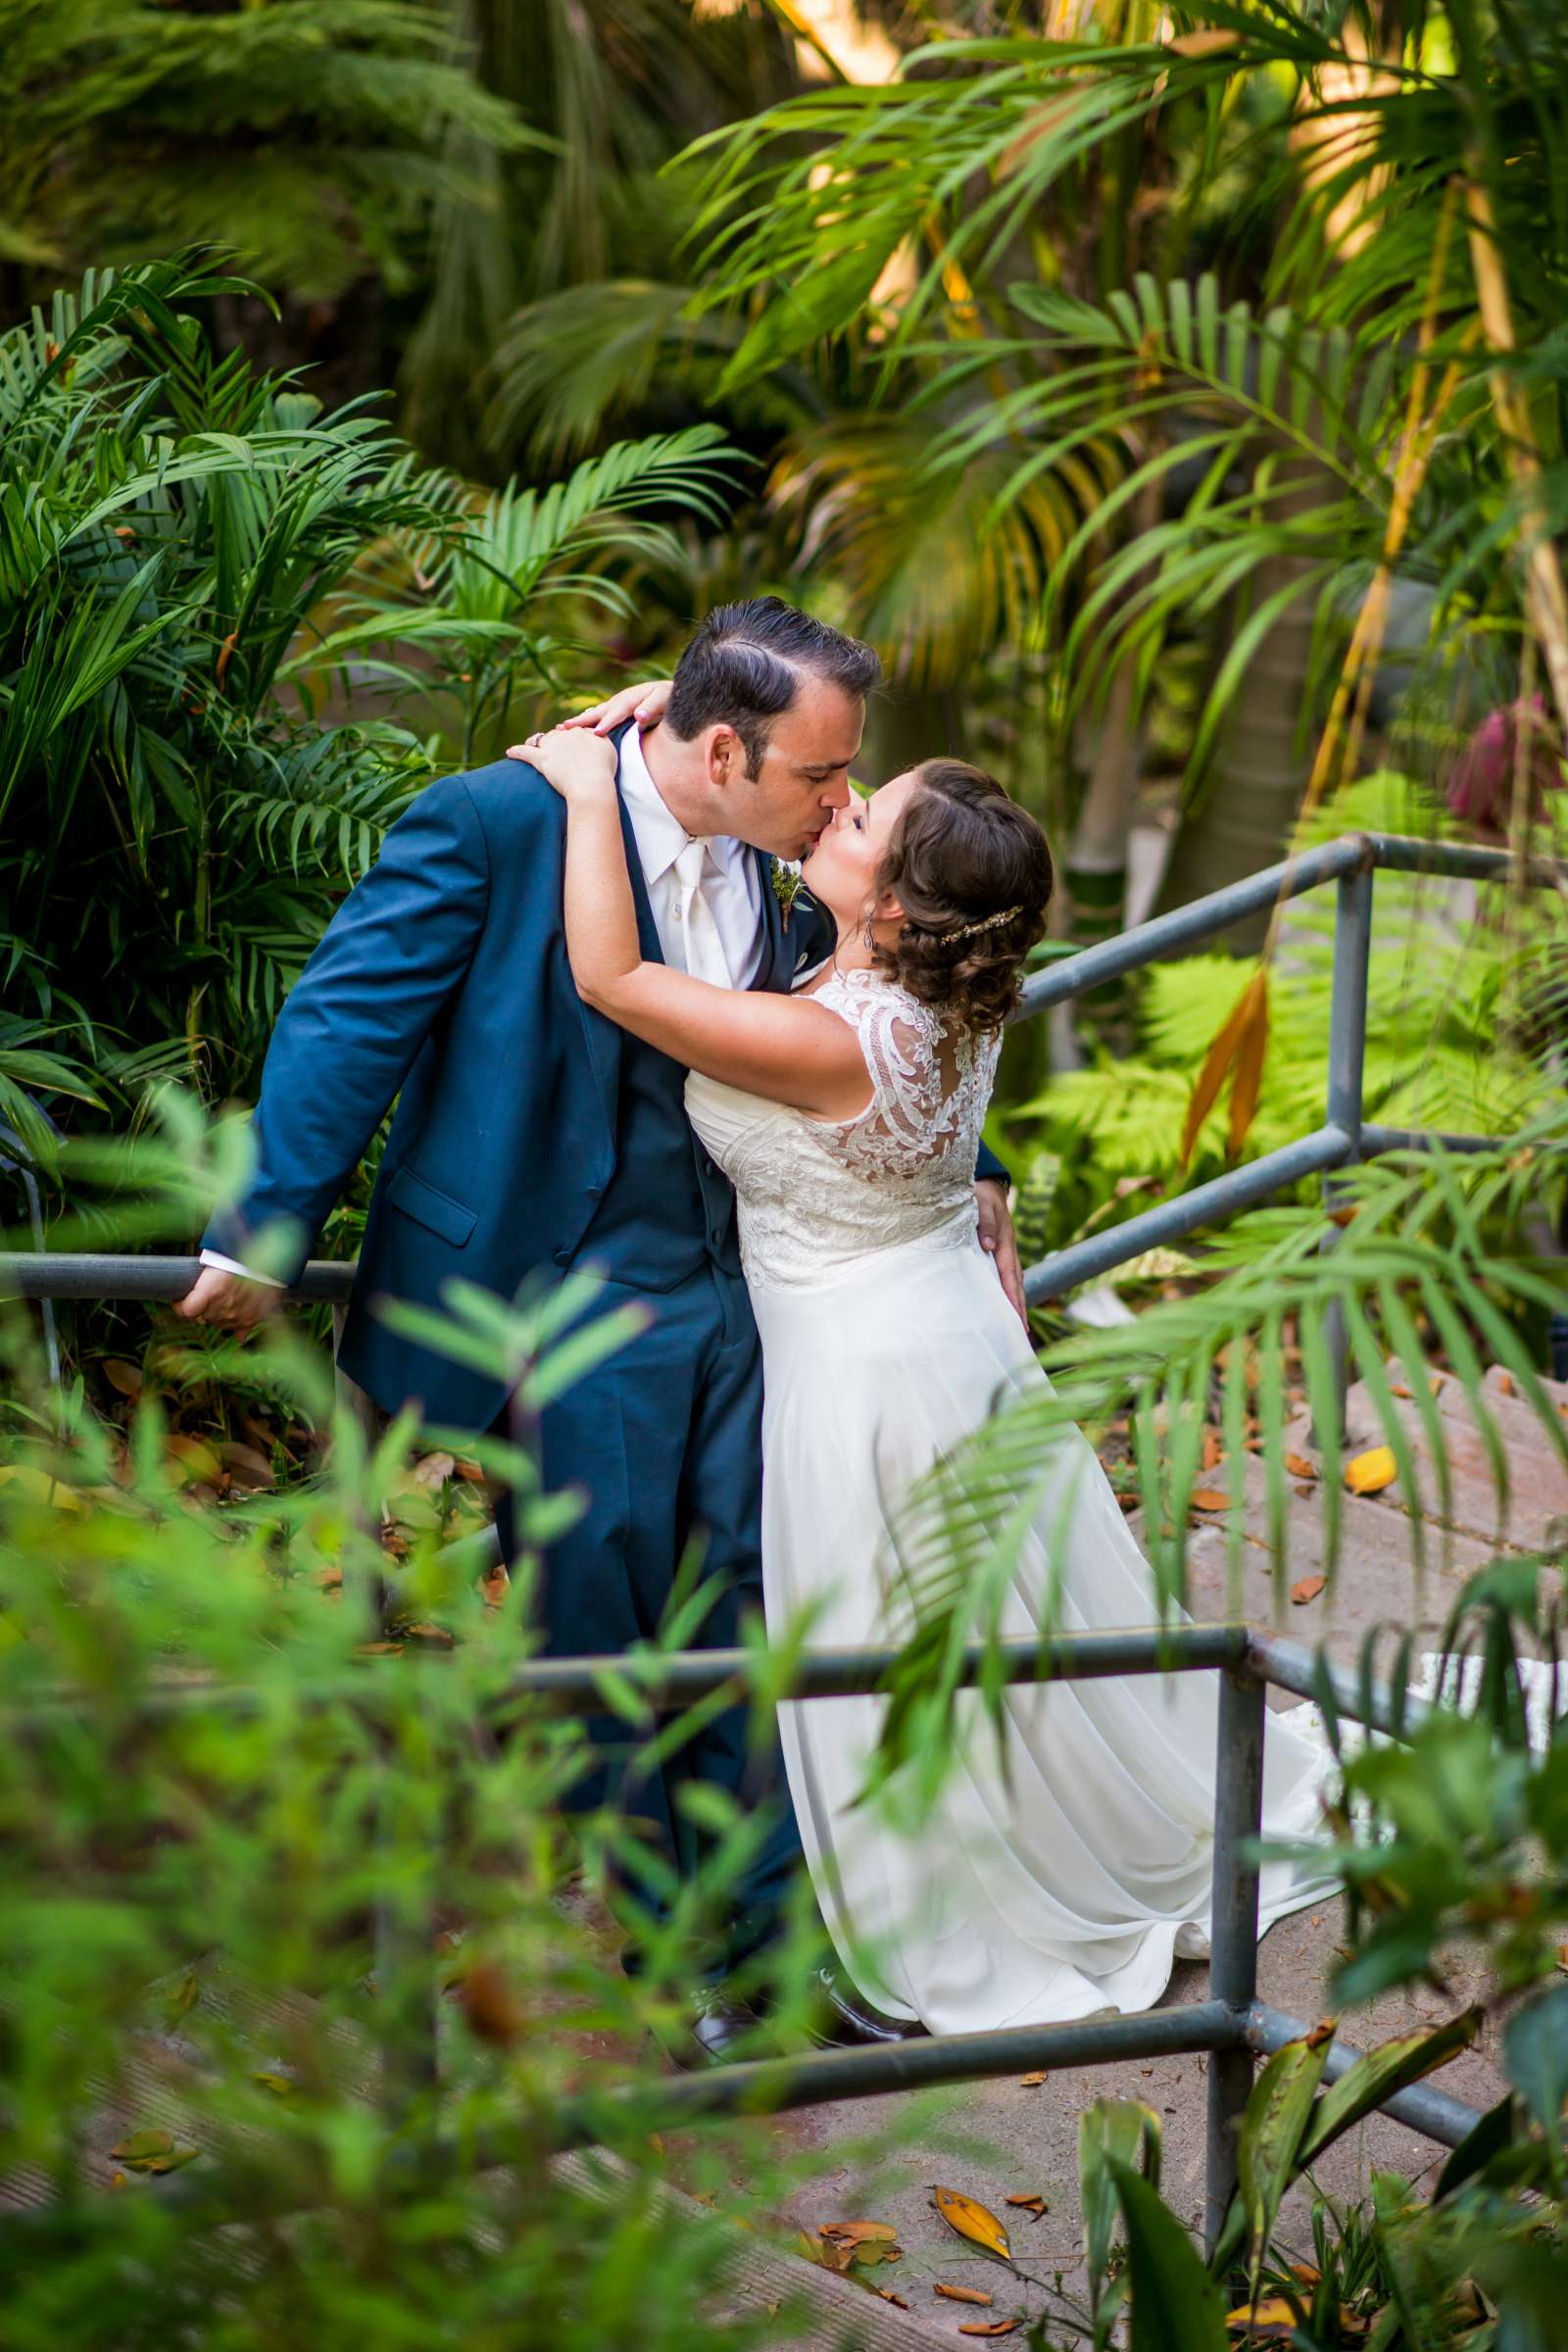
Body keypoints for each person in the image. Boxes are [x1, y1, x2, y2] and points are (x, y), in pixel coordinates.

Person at [174, 597, 1023, 2062]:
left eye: (847, 779)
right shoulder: (502, 820)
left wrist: (975, 1180)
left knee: (760, 1616)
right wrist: (262, 1224)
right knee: (616, 1629)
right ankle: (683, 1961)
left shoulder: (780, 855)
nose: (844, 806)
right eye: (824, 776)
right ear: (719, 747)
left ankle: (773, 1957)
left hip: (741, 1298)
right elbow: (346, 1015)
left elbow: (870, 1017)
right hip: (559, 1305)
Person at [514, 690, 1344, 2036]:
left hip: (866, 1364)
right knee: (989, 1623)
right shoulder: (944, 987)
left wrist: (582, 789)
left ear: (895, 910)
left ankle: (934, 1890)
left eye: (865, 816)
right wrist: (698, 712)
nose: (840, 804)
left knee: (891, 1633)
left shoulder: (835, 1032)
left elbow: (612, 981)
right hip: (946, 1320)